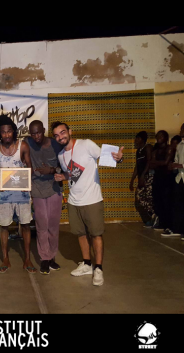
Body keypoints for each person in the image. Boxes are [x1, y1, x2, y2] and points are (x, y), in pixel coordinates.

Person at [52, 122, 124, 287]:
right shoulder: (61, 155)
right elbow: (72, 173)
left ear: (70, 131)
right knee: (81, 234)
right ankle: (86, 264)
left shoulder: (86, 144)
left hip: (92, 199)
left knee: (96, 234)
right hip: (73, 200)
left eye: (62, 132)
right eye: (56, 135)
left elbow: (107, 157)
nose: (60, 137)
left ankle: (98, 268)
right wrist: (63, 177)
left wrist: (119, 158)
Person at [0, 115, 35, 274]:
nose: (6, 134)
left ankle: (27, 259)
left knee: (25, 224)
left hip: (21, 193)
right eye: (3, 132)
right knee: (4, 225)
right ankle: (5, 258)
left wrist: (27, 183)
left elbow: (29, 167)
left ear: (14, 132)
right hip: (4, 194)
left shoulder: (22, 146)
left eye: (9, 131)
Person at [25, 120, 63, 275]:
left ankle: (52, 256)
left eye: (39, 132)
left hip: (54, 188)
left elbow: (64, 166)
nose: (36, 136)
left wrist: (52, 170)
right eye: (33, 134)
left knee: (53, 226)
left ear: (44, 130)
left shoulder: (55, 144)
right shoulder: (27, 143)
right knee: (42, 225)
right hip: (37, 188)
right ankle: (44, 258)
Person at [149, 131, 175, 231]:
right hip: (158, 177)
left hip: (167, 178)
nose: (159, 137)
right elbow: (151, 164)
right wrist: (159, 163)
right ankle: (162, 222)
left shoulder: (169, 148)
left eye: (161, 136)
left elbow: (165, 162)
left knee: (167, 201)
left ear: (166, 137)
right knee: (158, 201)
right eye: (158, 136)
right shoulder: (155, 151)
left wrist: (156, 163)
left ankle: (168, 224)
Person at [129, 131, 155, 227]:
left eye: (137, 138)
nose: (135, 140)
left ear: (142, 139)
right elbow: (137, 166)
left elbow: (149, 161)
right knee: (139, 199)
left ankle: (155, 220)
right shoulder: (138, 151)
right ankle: (149, 220)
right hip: (141, 177)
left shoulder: (148, 147)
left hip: (149, 176)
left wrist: (143, 175)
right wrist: (132, 180)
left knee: (149, 200)